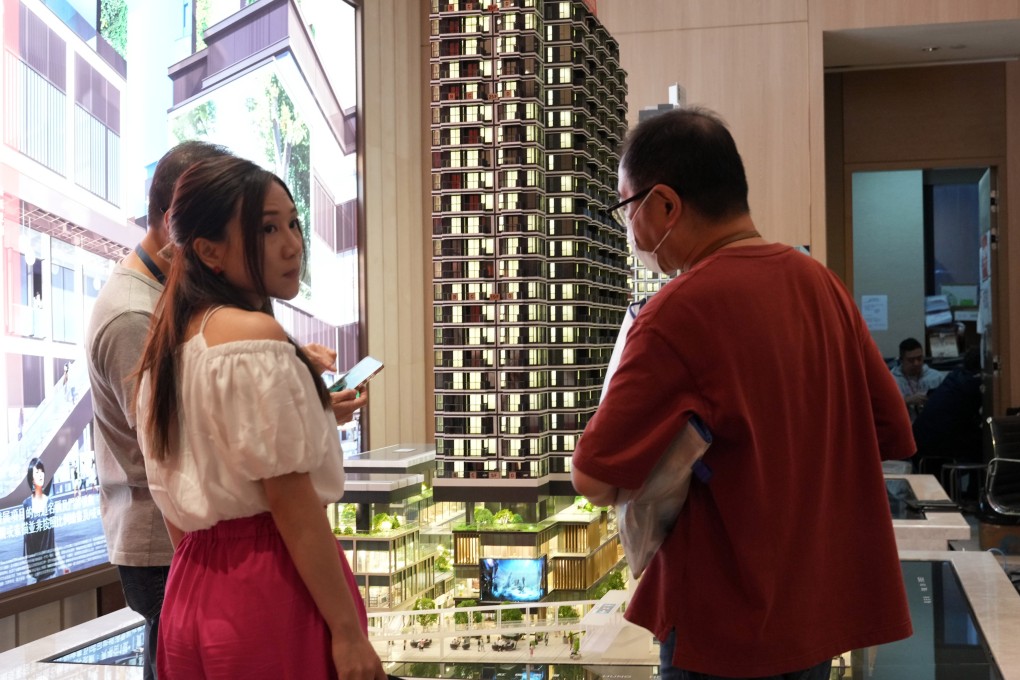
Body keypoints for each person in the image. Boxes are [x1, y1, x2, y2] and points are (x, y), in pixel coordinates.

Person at [571, 108, 915, 679]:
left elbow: (593, 477)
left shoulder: (675, 313)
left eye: (627, 208)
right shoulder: (822, 285)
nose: (630, 230)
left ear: (664, 205)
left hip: (721, 627)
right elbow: (891, 430)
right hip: (814, 617)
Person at [86, 141, 366, 680]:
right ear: (209, 251)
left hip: (193, 587)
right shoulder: (253, 337)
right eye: (267, 229)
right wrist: (349, 633)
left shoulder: (166, 345)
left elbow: (175, 501)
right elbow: (292, 505)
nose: (292, 245)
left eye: (293, 224)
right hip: (270, 585)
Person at [911, 347, 983, 479]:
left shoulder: (956, 376)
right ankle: (976, 489)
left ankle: (971, 489)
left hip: (921, 439)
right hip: (934, 443)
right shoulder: (972, 384)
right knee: (984, 445)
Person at [22, 458, 62, 583]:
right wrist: (25, 569)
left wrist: (62, 564)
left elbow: (52, 537)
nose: (40, 475)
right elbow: (26, 539)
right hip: (33, 570)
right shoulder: (26, 504)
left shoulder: (49, 502)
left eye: (42, 471)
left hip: (49, 568)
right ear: (31, 478)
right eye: (37, 472)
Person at [890, 337, 947, 421]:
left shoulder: (937, 377)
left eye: (919, 358)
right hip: (904, 424)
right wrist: (906, 401)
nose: (916, 363)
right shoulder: (891, 380)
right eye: (911, 360)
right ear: (901, 360)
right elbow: (885, 406)